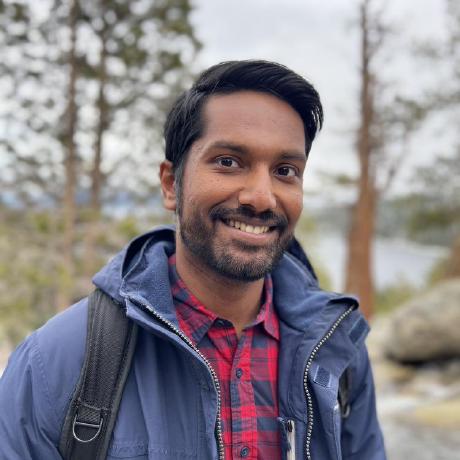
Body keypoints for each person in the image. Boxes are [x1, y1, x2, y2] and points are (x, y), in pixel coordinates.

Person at [0, 60, 386, 459]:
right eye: (228, 162)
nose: (261, 197)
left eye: (285, 170)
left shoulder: (336, 352)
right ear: (171, 184)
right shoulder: (55, 362)